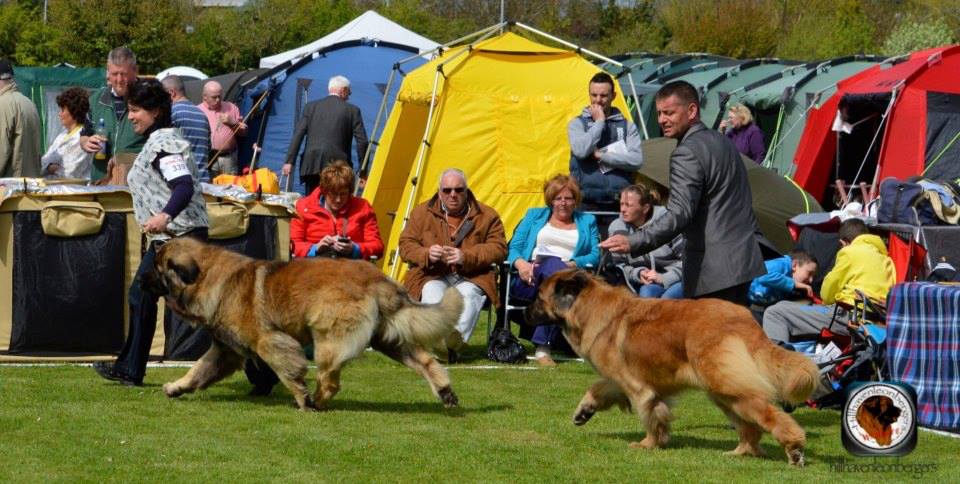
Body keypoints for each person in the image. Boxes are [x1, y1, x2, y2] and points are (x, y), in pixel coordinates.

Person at [599, 80, 765, 306]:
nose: (661, 120)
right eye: (658, 113)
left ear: (692, 111)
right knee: (733, 339)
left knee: (709, 340)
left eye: (669, 113)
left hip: (713, 269)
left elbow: (679, 213)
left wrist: (634, 241)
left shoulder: (685, 152)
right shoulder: (722, 141)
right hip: (742, 260)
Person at [92, 79, 209, 386]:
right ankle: (129, 369)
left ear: (156, 111)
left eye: (136, 110)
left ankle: (263, 370)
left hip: (180, 239)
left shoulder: (164, 145)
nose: (131, 117)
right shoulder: (158, 141)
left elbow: (182, 185)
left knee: (211, 311)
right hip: (170, 240)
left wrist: (163, 216)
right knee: (141, 296)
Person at [398, 168, 506, 361]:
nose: (453, 195)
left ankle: (446, 347)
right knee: (431, 291)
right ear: (439, 192)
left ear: (467, 190)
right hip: (431, 274)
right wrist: (427, 254)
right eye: (447, 190)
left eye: (458, 190)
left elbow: (498, 248)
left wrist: (466, 256)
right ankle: (444, 345)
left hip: (473, 275)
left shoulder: (488, 215)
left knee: (469, 295)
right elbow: (406, 245)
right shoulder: (421, 213)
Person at [508, 174, 600, 366]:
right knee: (551, 265)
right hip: (530, 278)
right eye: (558, 198)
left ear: (576, 200)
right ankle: (544, 346)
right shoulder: (534, 216)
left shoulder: (587, 220)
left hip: (571, 279)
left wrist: (574, 263)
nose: (563, 203)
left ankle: (543, 347)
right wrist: (521, 264)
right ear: (550, 200)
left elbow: (594, 254)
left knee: (557, 271)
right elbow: (514, 247)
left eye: (568, 198)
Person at [762, 219, 896, 345]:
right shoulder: (886, 260)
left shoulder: (849, 252)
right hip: (875, 321)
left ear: (844, 242)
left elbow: (827, 292)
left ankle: (777, 364)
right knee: (786, 305)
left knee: (775, 312)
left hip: (849, 317)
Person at [567, 72, 643, 212]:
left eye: (603, 96)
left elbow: (637, 161)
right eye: (594, 95)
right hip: (585, 204)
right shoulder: (576, 124)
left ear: (613, 96)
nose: (598, 100)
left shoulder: (628, 126)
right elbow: (580, 150)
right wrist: (599, 122)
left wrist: (602, 156)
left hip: (619, 204)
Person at [282, 75, 369, 195]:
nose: (349, 96)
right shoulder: (352, 110)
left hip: (312, 165)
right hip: (339, 168)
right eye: (349, 92)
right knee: (336, 203)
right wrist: (363, 170)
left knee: (313, 203)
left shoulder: (310, 107)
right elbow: (362, 141)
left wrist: (289, 161)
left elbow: (298, 134)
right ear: (343, 90)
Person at [290, 160, 383, 259]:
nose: (338, 200)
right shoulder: (304, 206)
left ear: (350, 192)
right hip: (313, 266)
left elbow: (377, 246)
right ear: (324, 191)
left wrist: (355, 248)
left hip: (352, 267)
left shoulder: (363, 207)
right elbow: (292, 245)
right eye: (333, 194)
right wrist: (315, 248)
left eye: (343, 194)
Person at [79, 46, 145, 182]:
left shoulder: (148, 99)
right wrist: (86, 142)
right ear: (107, 71)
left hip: (136, 182)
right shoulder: (95, 100)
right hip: (101, 180)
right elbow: (84, 134)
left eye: (124, 74)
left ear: (135, 71)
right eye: (115, 74)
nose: (119, 80)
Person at [607, 185, 684, 299]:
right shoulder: (616, 228)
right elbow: (620, 266)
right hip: (646, 282)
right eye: (621, 204)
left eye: (628, 205)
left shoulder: (667, 223)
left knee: (667, 300)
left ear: (645, 208)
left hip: (676, 278)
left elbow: (688, 261)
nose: (623, 209)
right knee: (646, 295)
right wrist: (639, 273)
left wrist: (664, 278)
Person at [162, 75, 210, 182]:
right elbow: (208, 148)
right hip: (203, 180)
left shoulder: (172, 113)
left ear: (171, 93)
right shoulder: (202, 115)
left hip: (182, 183)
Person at [40, 87, 93, 180]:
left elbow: (69, 172)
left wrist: (48, 166)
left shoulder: (81, 138)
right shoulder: (62, 135)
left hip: (74, 191)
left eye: (63, 110)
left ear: (74, 112)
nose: (59, 114)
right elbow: (42, 163)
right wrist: (50, 166)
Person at [0, 58, 41, 178]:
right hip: (30, 188)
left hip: (9, 190)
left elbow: (1, 151)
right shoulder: (28, 103)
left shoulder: (3, 104)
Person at [198, 80, 245, 178]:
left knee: (230, 189)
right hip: (209, 158)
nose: (218, 100)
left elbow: (244, 133)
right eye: (214, 97)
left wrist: (233, 123)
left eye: (220, 96)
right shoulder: (197, 111)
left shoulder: (231, 108)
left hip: (229, 158)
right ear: (204, 97)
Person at [748, 249, 818, 307]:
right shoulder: (780, 264)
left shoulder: (791, 281)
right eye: (809, 273)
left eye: (813, 277)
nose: (811, 280)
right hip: (742, 299)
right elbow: (763, 275)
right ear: (794, 265)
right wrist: (794, 284)